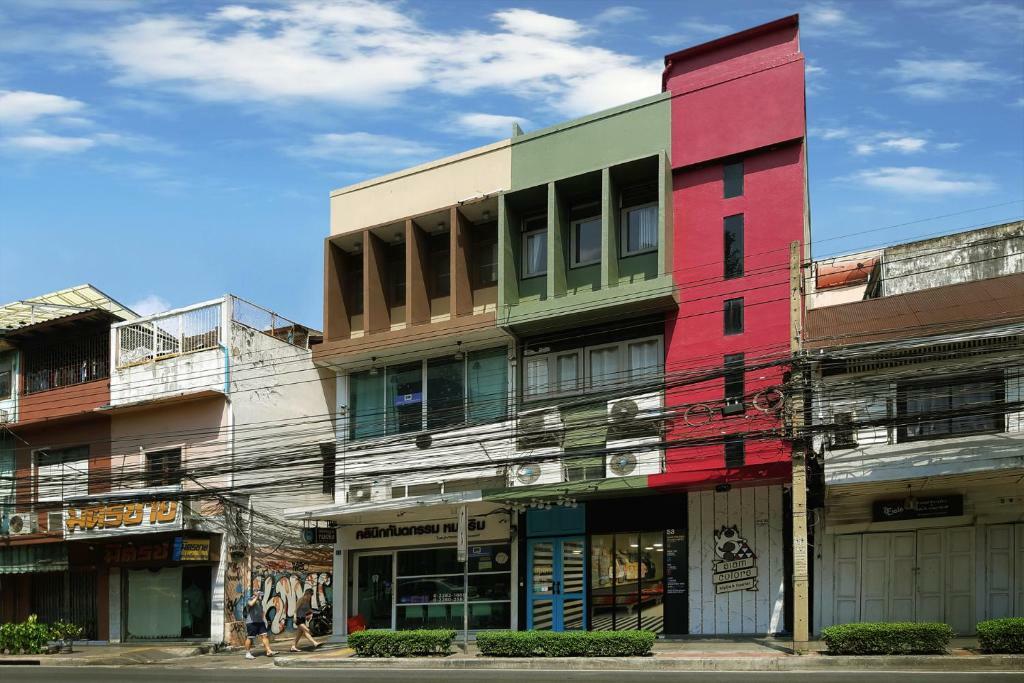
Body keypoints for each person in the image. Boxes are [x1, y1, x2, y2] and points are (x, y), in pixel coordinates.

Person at [244, 589, 276, 659]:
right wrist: (256, 597)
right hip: (251, 622)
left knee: (264, 635)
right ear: (254, 593)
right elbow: (251, 604)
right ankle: (247, 653)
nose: (260, 594)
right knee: (250, 637)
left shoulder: (260, 602)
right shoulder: (250, 599)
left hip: (260, 622)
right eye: (258, 592)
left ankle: (268, 651)